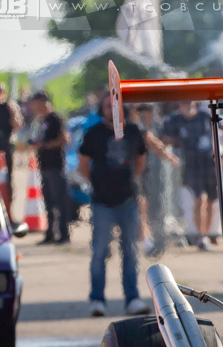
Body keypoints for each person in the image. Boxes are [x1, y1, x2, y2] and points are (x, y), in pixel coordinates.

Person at [78, 93, 149, 317]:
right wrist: (97, 183)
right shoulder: (93, 133)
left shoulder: (133, 131)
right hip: (101, 202)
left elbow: (141, 160)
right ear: (102, 109)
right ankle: (97, 299)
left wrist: (130, 180)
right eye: (107, 106)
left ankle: (132, 298)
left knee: (130, 251)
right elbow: (83, 164)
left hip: (128, 200)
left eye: (115, 105)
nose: (112, 110)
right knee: (100, 252)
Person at [163, 101, 223, 251]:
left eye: (190, 100)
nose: (187, 104)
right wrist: (173, 149)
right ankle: (200, 236)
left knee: (212, 200)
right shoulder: (175, 120)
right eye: (184, 101)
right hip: (191, 165)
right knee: (199, 198)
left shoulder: (206, 115)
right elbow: (166, 139)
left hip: (210, 163)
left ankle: (207, 233)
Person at [134, 104, 180, 255]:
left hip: (141, 175)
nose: (143, 115)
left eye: (146, 112)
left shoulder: (142, 130)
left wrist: (169, 157)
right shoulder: (127, 126)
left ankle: (147, 240)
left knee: (142, 205)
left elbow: (152, 141)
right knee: (139, 205)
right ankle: (144, 240)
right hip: (128, 174)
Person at [28, 91, 71, 244]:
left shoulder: (55, 119)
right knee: (48, 201)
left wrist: (46, 145)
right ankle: (50, 233)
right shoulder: (41, 121)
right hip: (44, 165)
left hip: (55, 166)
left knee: (59, 200)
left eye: (35, 103)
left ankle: (64, 234)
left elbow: (65, 139)